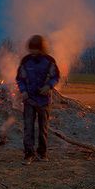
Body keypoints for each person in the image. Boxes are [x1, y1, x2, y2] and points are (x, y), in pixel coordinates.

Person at [15, 35, 60, 165]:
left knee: (43, 128)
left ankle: (42, 153)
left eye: (35, 49)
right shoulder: (25, 61)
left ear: (42, 48)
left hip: (44, 101)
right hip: (29, 100)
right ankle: (28, 154)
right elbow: (20, 78)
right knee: (28, 128)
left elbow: (55, 76)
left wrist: (49, 86)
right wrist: (23, 91)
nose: (32, 51)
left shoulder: (49, 61)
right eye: (31, 49)